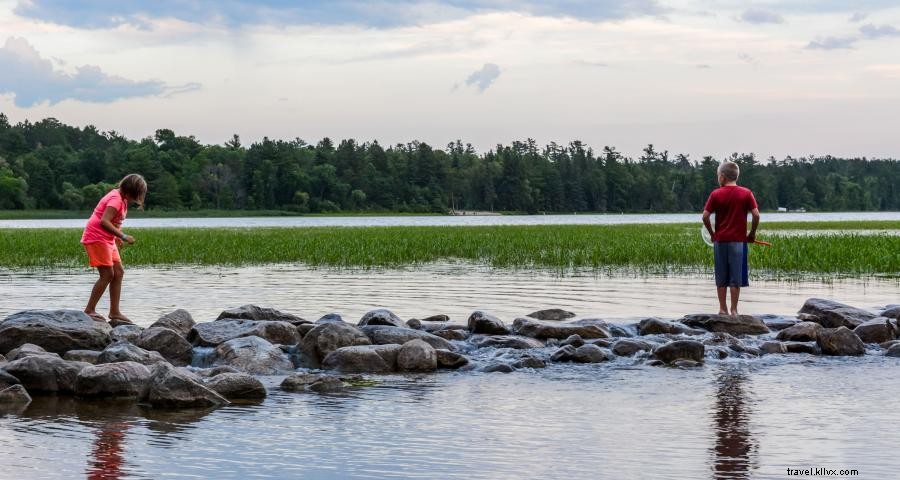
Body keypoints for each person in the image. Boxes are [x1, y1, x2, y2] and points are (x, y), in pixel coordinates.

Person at [81, 174, 147, 325]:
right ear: (131, 191)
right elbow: (104, 221)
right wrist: (123, 236)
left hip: (107, 238)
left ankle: (114, 311)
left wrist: (115, 236)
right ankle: (89, 310)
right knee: (107, 274)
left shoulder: (122, 198)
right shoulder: (116, 199)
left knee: (118, 272)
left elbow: (113, 221)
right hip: (96, 237)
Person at [702, 161, 760, 316]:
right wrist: (752, 234)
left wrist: (713, 234)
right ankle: (734, 310)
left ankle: (722, 309)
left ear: (722, 177)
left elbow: (705, 216)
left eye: (717, 176)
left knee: (721, 276)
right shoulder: (746, 193)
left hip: (720, 241)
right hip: (738, 242)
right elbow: (756, 214)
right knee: (736, 277)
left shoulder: (716, 194)